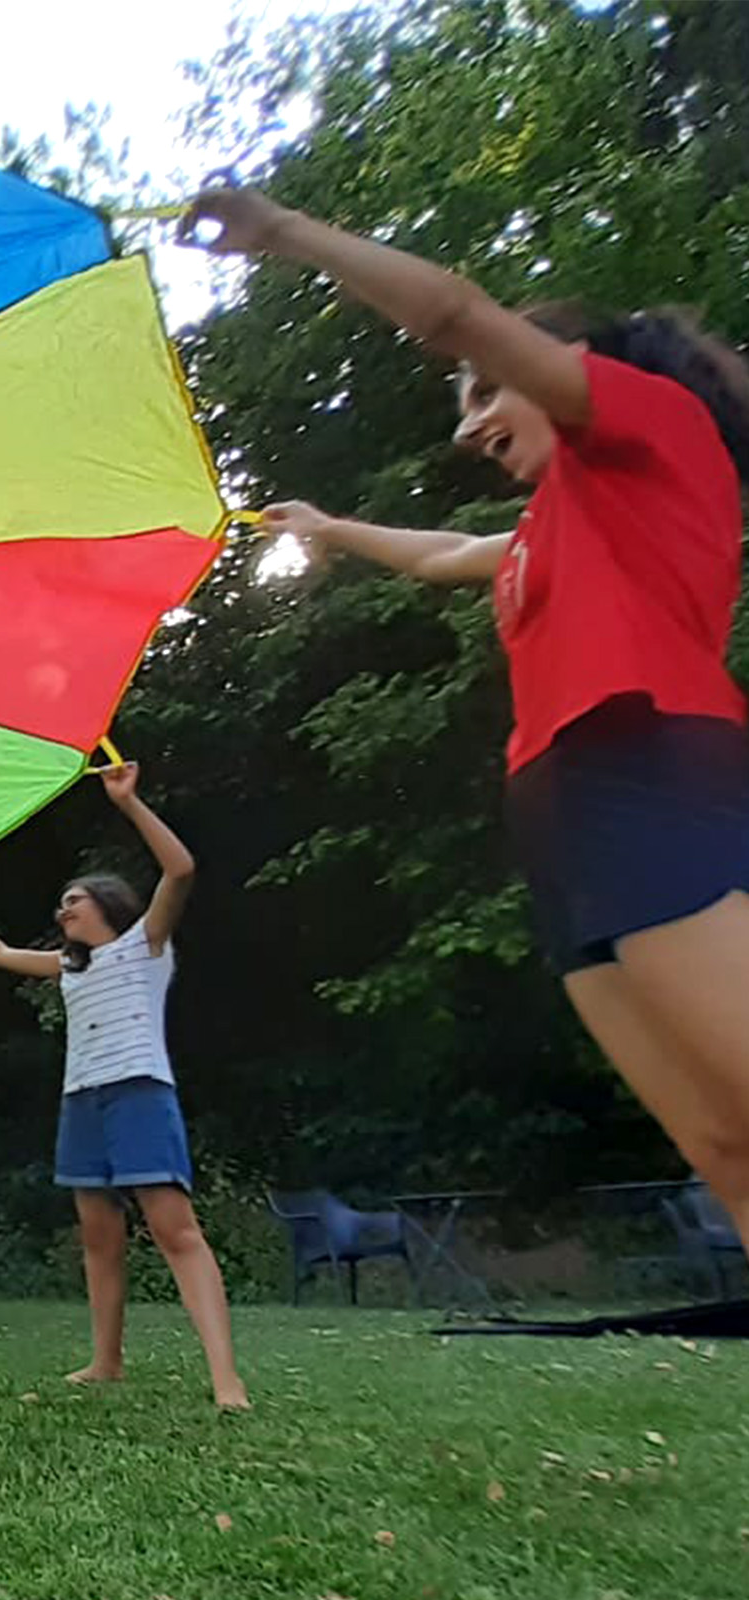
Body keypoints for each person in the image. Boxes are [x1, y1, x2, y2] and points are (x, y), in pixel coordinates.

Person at [183, 184, 749, 1249]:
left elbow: (448, 307)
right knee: (725, 1152)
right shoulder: (556, 523)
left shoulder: (651, 430)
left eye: (489, 389)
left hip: (649, 773)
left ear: (567, 364)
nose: (469, 422)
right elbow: (444, 555)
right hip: (567, 825)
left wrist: (285, 235)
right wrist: (327, 526)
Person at [0, 764, 250, 1411]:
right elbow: (1, 957)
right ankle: (106, 1362)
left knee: (175, 1231)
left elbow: (180, 870)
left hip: (139, 1094)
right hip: (82, 1102)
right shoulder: (71, 967)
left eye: (74, 898)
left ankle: (226, 1380)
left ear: (108, 905)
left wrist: (130, 804)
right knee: (98, 1237)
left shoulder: (145, 944)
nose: (62, 907)